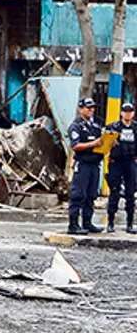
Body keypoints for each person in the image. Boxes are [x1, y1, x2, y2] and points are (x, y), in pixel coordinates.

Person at [67, 97, 106, 235]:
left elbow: (101, 142)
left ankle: (87, 222)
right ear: (81, 109)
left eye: (92, 108)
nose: (91, 110)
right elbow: (76, 146)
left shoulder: (95, 127)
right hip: (83, 164)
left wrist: (108, 144)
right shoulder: (76, 126)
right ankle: (73, 225)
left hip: (95, 165)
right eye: (88, 107)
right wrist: (93, 144)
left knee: (91, 195)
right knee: (78, 195)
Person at [103, 102, 136, 234]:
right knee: (114, 192)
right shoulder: (113, 127)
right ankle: (110, 223)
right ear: (121, 112)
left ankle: (130, 224)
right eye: (125, 111)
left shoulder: (136, 127)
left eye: (130, 111)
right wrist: (108, 153)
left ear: (133, 113)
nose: (128, 114)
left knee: (131, 193)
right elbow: (104, 142)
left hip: (130, 162)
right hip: (116, 162)